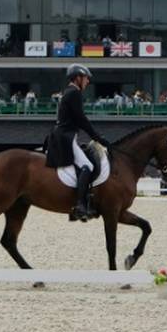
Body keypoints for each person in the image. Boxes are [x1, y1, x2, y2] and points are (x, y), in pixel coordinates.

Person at [44, 64, 110, 222]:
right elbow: (82, 120)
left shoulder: (70, 92)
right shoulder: (74, 93)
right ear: (78, 78)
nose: (88, 81)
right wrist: (98, 138)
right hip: (65, 137)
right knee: (88, 166)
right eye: (86, 78)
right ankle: (80, 205)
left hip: (64, 135)